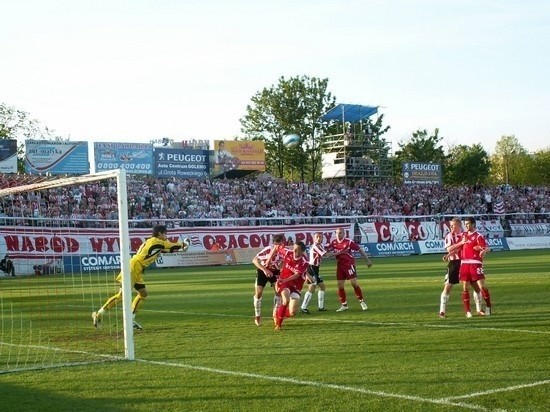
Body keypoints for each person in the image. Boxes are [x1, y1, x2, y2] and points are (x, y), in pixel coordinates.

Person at [92, 225, 188, 330]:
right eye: (165, 233)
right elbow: (171, 245)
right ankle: (98, 315)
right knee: (122, 296)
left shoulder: (155, 243)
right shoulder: (157, 241)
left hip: (137, 268)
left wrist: (180, 250)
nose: (166, 235)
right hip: (134, 267)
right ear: (160, 233)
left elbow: (167, 249)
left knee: (143, 294)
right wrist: (184, 244)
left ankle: (130, 320)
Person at [439, 218, 484, 318]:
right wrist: (451, 252)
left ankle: (478, 309)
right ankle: (442, 311)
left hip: (466, 262)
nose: (450, 227)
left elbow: (466, 247)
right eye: (450, 226)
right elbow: (449, 248)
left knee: (475, 286)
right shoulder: (449, 236)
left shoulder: (465, 235)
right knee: (448, 286)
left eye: (452, 226)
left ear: (459, 226)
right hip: (454, 263)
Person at [327, 227, 373, 312]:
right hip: (340, 266)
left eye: (340, 233)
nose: (338, 234)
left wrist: (367, 260)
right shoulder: (333, 243)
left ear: (344, 234)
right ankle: (344, 305)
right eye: (337, 233)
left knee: (354, 284)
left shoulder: (348, 242)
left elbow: (360, 249)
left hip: (349, 265)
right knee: (340, 286)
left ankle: (362, 302)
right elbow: (327, 252)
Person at [459, 217, 492, 317]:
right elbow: (459, 246)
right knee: (465, 287)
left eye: (468, 224)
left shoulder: (478, 236)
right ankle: (467, 311)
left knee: (481, 286)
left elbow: (487, 248)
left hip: (475, 263)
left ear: (473, 224)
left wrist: (483, 251)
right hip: (464, 263)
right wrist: (450, 253)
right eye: (465, 224)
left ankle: (488, 306)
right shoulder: (463, 235)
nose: (466, 226)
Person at [274, 241, 311, 330]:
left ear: (302, 251)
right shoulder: (288, 252)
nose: (294, 251)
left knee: (292, 313)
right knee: (285, 300)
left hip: (296, 285)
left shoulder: (304, 262)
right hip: (285, 282)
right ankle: (278, 325)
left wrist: (284, 279)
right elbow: (276, 247)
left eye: (297, 250)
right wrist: (270, 259)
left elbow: (297, 275)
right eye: (294, 248)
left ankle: (278, 313)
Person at [252, 234, 285, 326]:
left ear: (282, 243)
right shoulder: (267, 249)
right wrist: (265, 270)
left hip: (275, 272)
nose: (277, 247)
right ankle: (257, 315)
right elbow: (255, 260)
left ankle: (275, 314)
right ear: (273, 243)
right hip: (263, 271)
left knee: (278, 291)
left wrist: (282, 269)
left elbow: (283, 263)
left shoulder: (283, 251)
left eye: (279, 245)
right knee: (259, 293)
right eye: (276, 245)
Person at [301, 231, 328, 313]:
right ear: (313, 238)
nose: (319, 238)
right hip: (311, 269)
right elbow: (326, 255)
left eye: (321, 237)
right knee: (312, 288)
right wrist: (340, 253)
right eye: (317, 237)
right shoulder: (316, 246)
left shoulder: (320, 245)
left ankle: (321, 307)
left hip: (316, 269)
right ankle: (303, 307)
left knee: (322, 287)